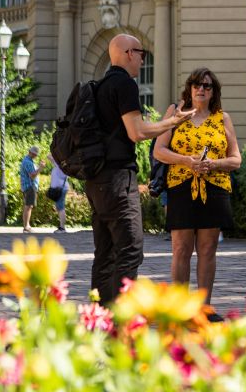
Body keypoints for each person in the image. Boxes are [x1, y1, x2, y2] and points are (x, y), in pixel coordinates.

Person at [88, 33, 194, 303]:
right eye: (140, 52)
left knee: (105, 251)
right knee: (130, 249)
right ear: (127, 54)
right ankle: (120, 320)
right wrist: (172, 122)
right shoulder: (124, 84)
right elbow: (136, 132)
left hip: (96, 179)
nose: (142, 58)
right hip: (117, 178)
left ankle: (99, 319)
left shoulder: (100, 85)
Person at [154, 68, 241, 314]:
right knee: (181, 248)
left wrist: (213, 164)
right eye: (196, 85)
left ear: (214, 92)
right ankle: (180, 309)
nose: (201, 89)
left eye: (207, 86)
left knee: (207, 249)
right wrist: (186, 161)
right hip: (181, 186)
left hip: (214, 187)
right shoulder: (175, 113)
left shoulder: (222, 118)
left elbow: (236, 159)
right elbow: (159, 151)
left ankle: (204, 309)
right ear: (189, 89)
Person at [19, 146, 41, 233]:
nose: (35, 156)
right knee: (28, 206)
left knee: (28, 206)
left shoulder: (27, 161)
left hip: (28, 186)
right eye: (35, 154)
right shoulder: (28, 162)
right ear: (31, 153)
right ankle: (26, 226)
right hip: (30, 186)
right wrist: (41, 168)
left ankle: (26, 225)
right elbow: (32, 175)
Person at [47, 153, 70, 233]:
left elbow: (49, 156)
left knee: (61, 208)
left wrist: (57, 152)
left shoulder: (60, 165)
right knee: (60, 207)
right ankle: (61, 226)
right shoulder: (63, 166)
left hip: (60, 188)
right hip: (61, 188)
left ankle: (62, 228)